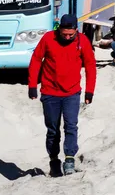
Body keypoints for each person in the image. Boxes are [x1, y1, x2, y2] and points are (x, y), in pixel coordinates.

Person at [27, 13, 96, 176]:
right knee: (53, 130)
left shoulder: (83, 41)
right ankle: (54, 160)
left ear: (76, 30)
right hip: (50, 92)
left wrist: (89, 91)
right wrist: (32, 86)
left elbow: (91, 66)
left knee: (71, 126)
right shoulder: (48, 38)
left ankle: (70, 159)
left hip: (72, 92)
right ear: (59, 30)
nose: (66, 37)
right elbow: (36, 59)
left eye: (70, 35)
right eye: (64, 34)